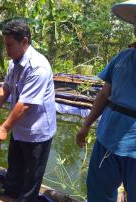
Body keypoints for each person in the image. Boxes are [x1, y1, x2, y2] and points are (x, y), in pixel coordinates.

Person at [0, 19, 56, 201]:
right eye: (5, 45)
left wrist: (4, 128)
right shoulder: (14, 62)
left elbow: (25, 104)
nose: (6, 51)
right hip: (19, 128)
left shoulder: (38, 66)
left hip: (37, 131)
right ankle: (9, 193)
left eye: (9, 45)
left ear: (24, 42)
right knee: (15, 165)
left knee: (32, 175)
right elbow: (6, 88)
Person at [76, 1, 136, 202]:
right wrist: (86, 125)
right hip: (108, 137)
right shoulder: (122, 58)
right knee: (98, 192)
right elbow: (104, 94)